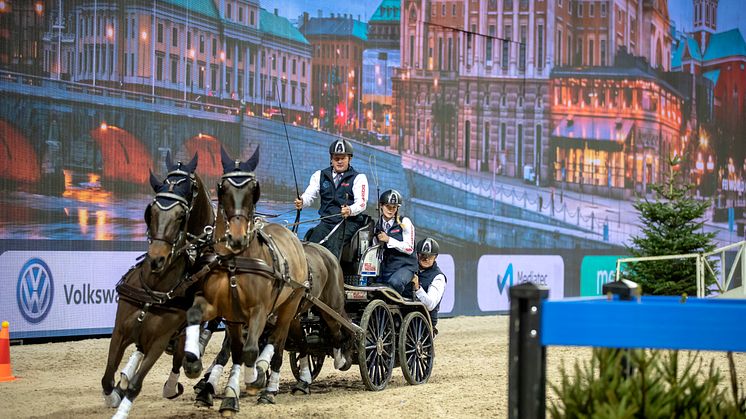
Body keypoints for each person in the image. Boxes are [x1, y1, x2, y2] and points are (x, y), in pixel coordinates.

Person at [295, 138, 369, 258]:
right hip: (326, 222)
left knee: (332, 245)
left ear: (349, 158)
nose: (339, 161)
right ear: (331, 159)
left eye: (343, 158)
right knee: (309, 247)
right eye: (336, 158)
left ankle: (334, 276)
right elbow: (309, 195)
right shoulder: (320, 175)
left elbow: (362, 203)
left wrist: (350, 210)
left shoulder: (359, 178)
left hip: (348, 222)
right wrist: (302, 201)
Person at [374, 189, 417, 296]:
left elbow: (409, 248)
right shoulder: (377, 225)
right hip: (387, 266)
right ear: (381, 206)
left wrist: (388, 239)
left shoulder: (405, 222)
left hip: (405, 266)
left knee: (394, 283)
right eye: (388, 206)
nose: (391, 210)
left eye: (394, 207)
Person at [412, 237, 447, 329]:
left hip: (425, 321)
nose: (426, 259)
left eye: (430, 256)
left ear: (435, 257)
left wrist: (417, 287)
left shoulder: (438, 277)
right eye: (423, 255)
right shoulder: (409, 269)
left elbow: (430, 305)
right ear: (417, 255)